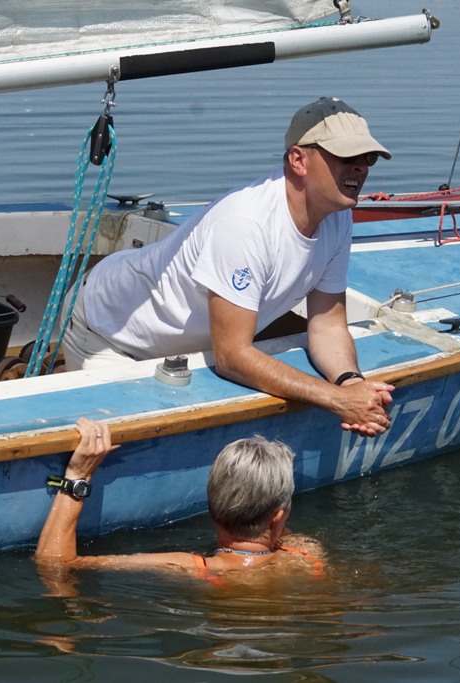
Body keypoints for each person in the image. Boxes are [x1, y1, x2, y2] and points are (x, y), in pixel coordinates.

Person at [62, 96, 395, 437]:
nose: (360, 168)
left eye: (367, 158)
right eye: (346, 157)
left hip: (186, 345)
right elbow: (232, 357)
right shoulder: (245, 224)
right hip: (108, 332)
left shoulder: (338, 217)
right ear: (298, 160)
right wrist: (335, 399)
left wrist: (353, 385)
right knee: (112, 444)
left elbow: (327, 326)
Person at [35, 418, 323, 576]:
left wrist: (77, 478)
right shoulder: (307, 555)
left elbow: (56, 565)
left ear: (211, 504)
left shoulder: (187, 567)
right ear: (278, 514)